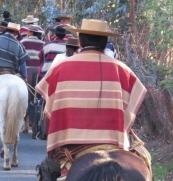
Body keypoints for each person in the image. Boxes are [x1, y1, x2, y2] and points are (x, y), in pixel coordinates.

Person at [35, 19, 148, 181]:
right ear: (105, 42)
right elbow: (132, 110)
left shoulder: (60, 69)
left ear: (80, 41)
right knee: (145, 161)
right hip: (115, 143)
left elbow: (48, 114)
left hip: (73, 149)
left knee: (47, 171)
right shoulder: (122, 69)